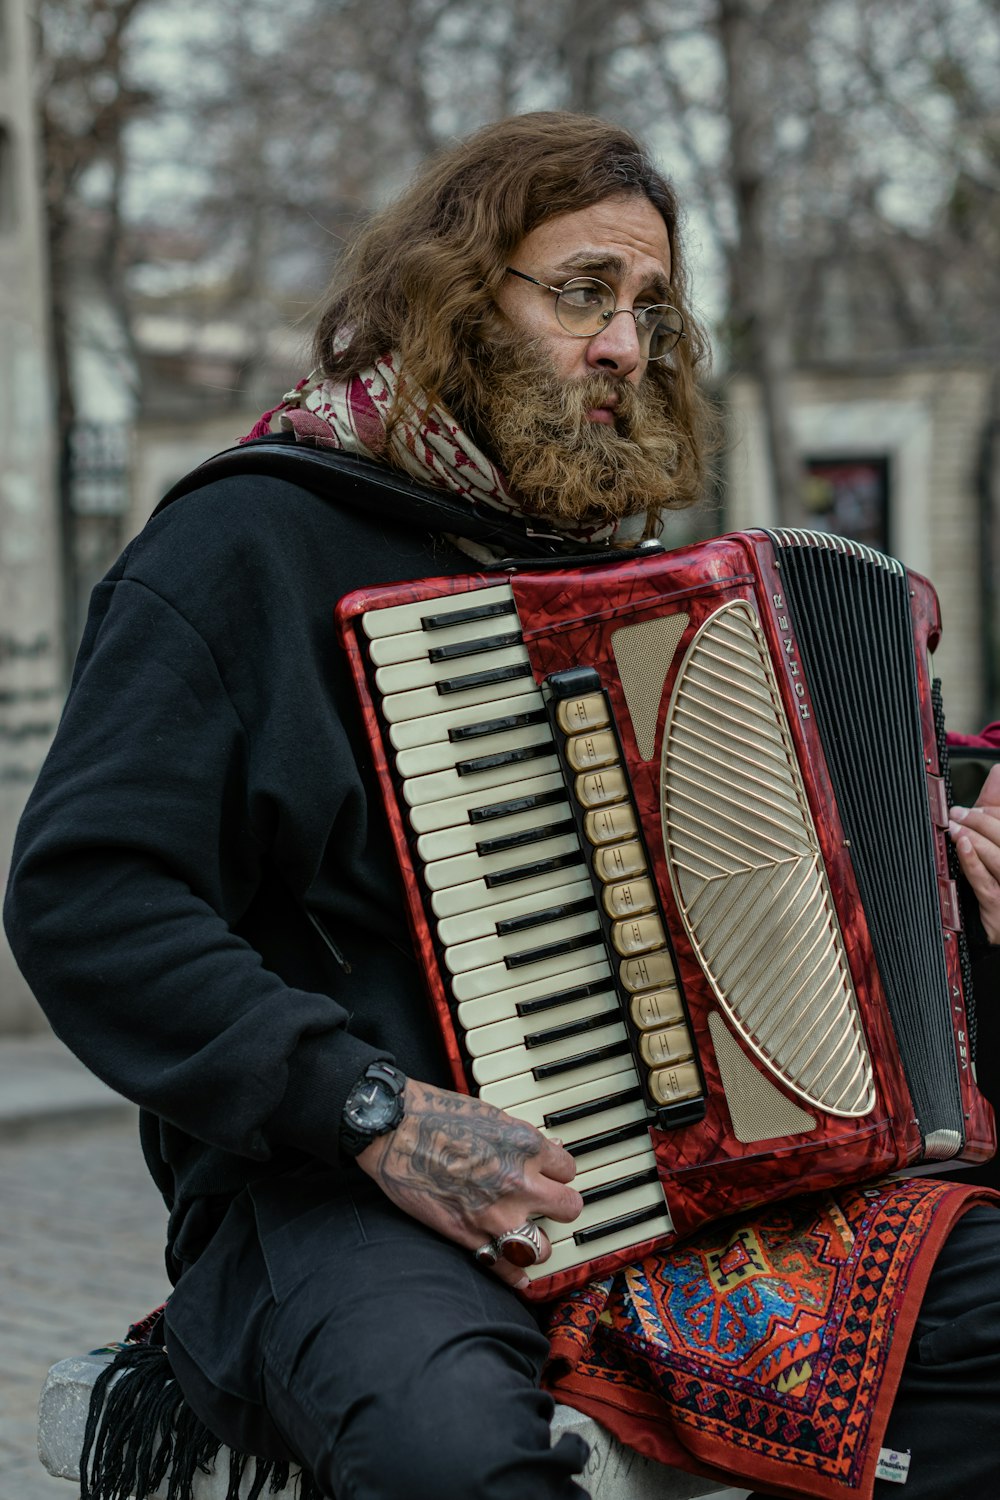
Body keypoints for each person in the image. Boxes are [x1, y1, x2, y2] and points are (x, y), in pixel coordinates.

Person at [4, 112, 999, 1500]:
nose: (624, 347)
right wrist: (369, 1110)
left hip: (699, 1203)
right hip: (353, 1194)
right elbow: (86, 893)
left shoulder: (634, 582)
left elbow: (799, 862)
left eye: (649, 308)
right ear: (459, 300)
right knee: (456, 1461)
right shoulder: (247, 545)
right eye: (585, 292)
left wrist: (961, 848)